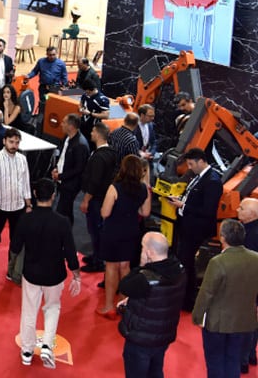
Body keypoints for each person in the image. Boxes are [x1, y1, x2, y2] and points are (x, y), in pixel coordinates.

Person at [11, 178, 82, 369]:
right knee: (52, 309)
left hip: (31, 273)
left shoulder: (26, 219)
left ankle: (27, 351)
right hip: (55, 274)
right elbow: (70, 252)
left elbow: (15, 247)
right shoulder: (62, 222)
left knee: (29, 311)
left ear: (34, 195)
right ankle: (46, 347)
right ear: (53, 195)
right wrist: (76, 274)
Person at [193, 219, 258, 378]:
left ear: (223, 238)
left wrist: (197, 317)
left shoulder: (218, 262)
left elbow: (206, 293)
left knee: (215, 361)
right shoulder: (256, 258)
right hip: (244, 321)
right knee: (233, 360)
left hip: (218, 323)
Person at [117, 232, 186, 378]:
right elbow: (158, 297)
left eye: (142, 248)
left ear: (149, 252)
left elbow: (124, 285)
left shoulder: (145, 278)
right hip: (164, 334)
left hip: (141, 337)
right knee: (156, 371)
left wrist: (142, 266)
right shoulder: (179, 269)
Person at [165, 147, 223, 310]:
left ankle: (188, 299)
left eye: (191, 164)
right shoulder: (200, 177)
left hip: (197, 228)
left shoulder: (212, 181)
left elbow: (207, 210)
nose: (189, 167)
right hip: (188, 224)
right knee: (185, 260)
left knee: (187, 261)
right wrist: (182, 200)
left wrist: (183, 204)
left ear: (201, 161)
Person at [98, 155, 152, 319]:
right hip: (131, 231)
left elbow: (105, 212)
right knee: (125, 266)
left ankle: (109, 306)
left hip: (113, 230)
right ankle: (124, 302)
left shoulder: (115, 187)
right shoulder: (144, 189)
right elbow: (145, 212)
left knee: (111, 266)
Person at [79, 123, 119, 274]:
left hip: (96, 199)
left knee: (95, 230)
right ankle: (96, 256)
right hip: (104, 197)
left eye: (93, 131)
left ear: (98, 134)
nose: (91, 133)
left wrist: (86, 200)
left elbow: (94, 181)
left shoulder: (99, 157)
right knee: (98, 229)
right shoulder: (111, 153)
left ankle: (97, 261)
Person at [51, 113, 90, 226]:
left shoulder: (80, 145)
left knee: (63, 210)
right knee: (65, 210)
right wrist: (56, 169)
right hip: (62, 179)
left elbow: (79, 169)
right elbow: (62, 155)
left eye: (64, 122)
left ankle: (63, 233)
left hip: (71, 184)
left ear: (71, 126)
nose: (61, 124)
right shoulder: (67, 137)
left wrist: (60, 176)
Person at [238, 198, 258, 371]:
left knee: (246, 321)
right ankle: (250, 354)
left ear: (252, 214)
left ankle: (243, 359)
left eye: (241, 208)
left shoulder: (250, 235)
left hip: (249, 283)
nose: (237, 209)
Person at [26, 46, 68, 110]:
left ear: (56, 54)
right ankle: (42, 117)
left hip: (55, 88)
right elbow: (35, 71)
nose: (52, 57)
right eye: (50, 55)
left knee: (53, 104)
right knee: (43, 103)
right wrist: (28, 76)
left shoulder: (61, 64)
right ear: (47, 54)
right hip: (43, 88)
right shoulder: (41, 61)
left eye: (53, 55)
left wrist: (64, 85)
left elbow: (64, 76)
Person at [79, 79, 111, 144]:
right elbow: (80, 104)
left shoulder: (102, 99)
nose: (87, 94)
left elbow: (106, 115)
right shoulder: (85, 95)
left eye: (88, 92)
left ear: (92, 90)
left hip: (93, 127)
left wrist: (90, 114)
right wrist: (81, 109)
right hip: (83, 124)